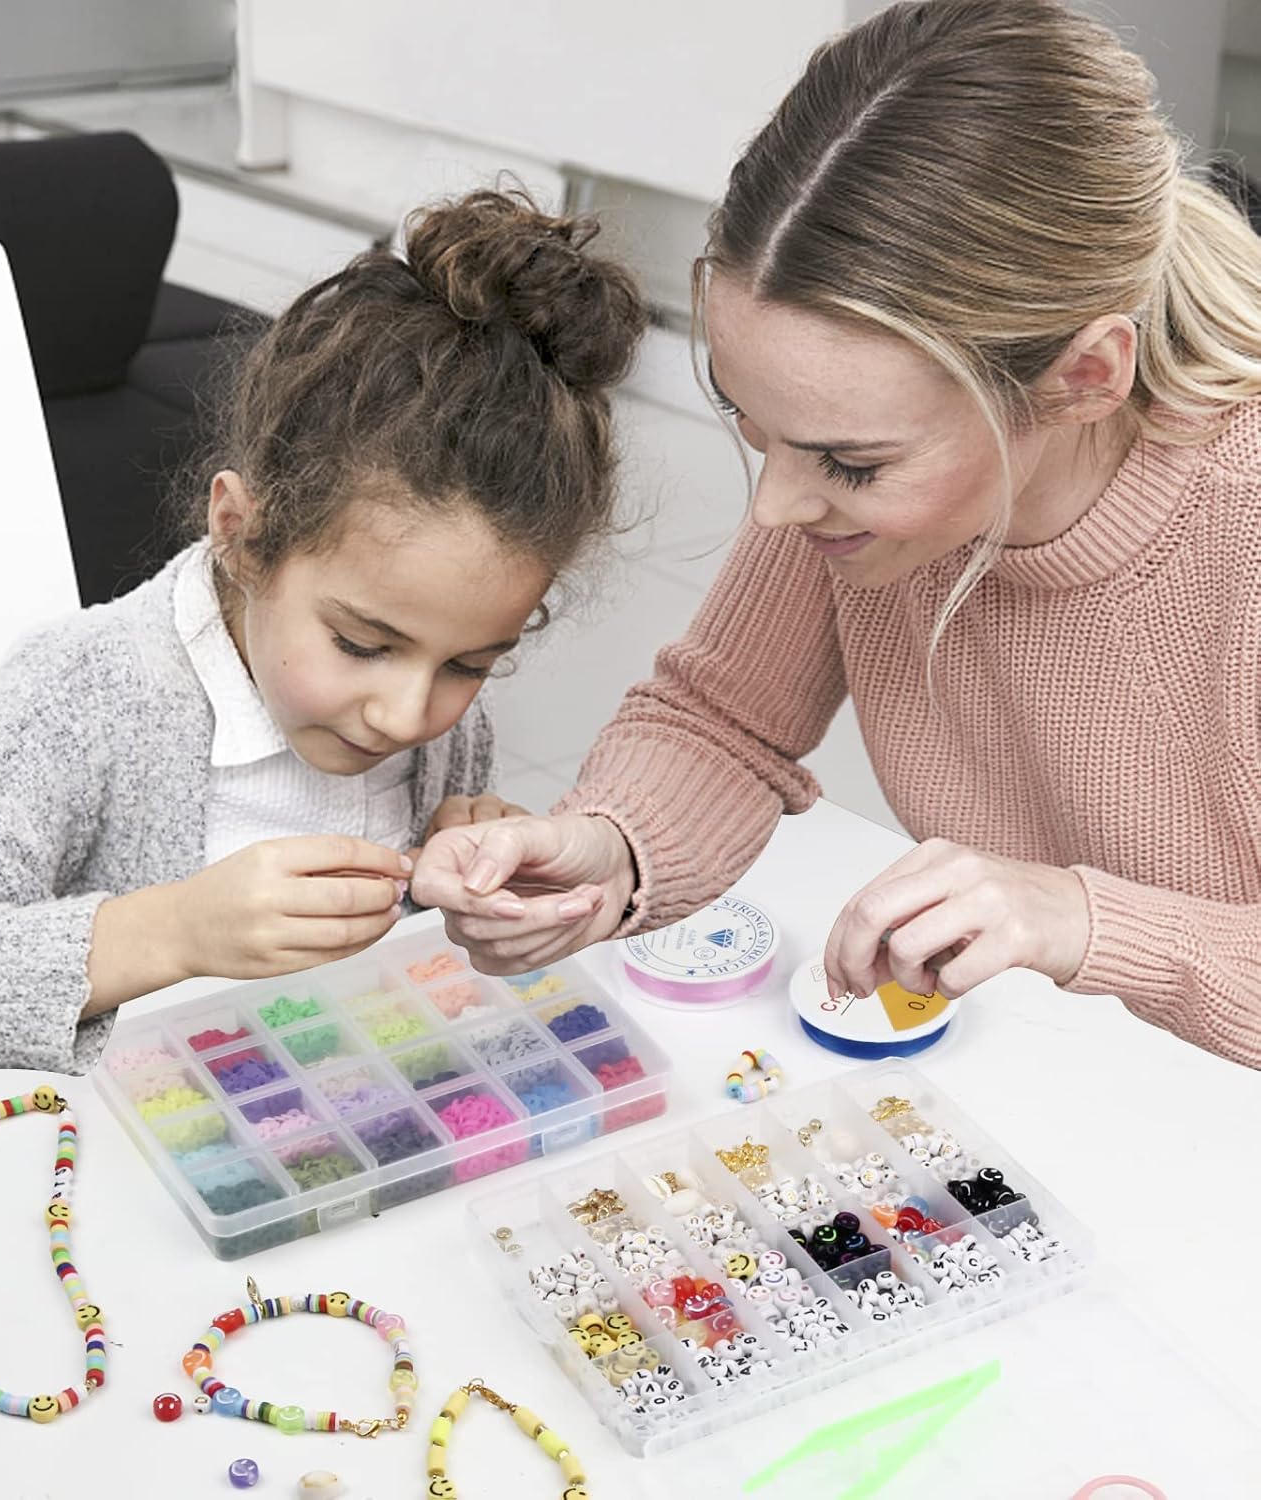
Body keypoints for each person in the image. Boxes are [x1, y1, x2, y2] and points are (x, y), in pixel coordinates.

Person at [411, 0, 1261, 1070]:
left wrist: (1081, 918)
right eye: (755, 426)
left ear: (1085, 377)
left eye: (852, 463)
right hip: (1088, 1087)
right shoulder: (853, 479)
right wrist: (609, 850)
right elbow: (724, 718)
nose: (776, 506)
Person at [0, 189, 646, 1074]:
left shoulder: (441, 729)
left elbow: (385, 989)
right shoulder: (90, 693)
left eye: (472, 664)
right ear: (242, 535)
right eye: (364, 645)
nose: (408, 716)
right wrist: (171, 930)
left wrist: (463, 861)